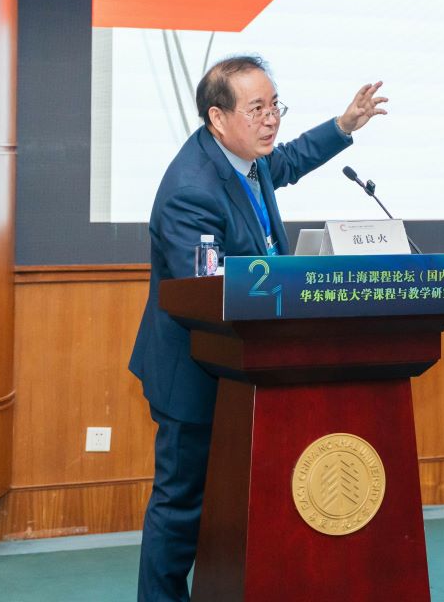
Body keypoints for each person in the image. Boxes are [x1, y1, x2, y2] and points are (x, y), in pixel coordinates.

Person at [129, 55, 387, 602]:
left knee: (235, 503)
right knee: (181, 505)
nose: (271, 120)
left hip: (245, 366)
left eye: (274, 106)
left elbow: (286, 161)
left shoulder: (246, 157)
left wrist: (342, 126)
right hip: (195, 372)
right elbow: (205, 290)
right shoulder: (192, 188)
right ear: (217, 117)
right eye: (256, 109)